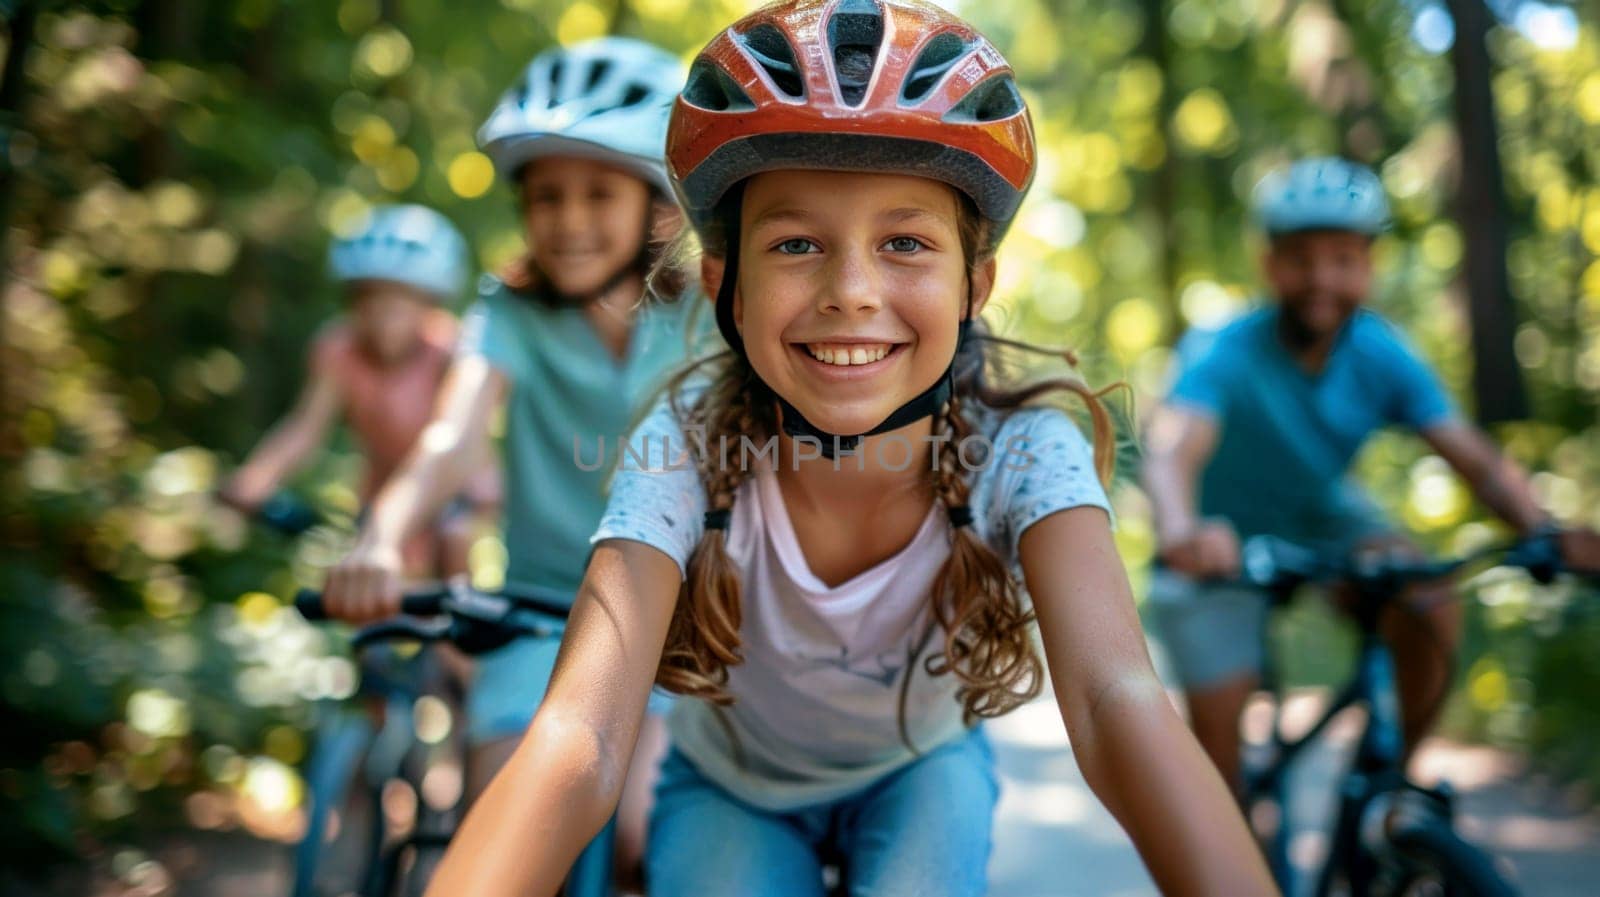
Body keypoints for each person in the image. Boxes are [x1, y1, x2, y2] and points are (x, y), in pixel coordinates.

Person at [425, 2, 1278, 895]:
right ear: (727, 286)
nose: (851, 292)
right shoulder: (682, 442)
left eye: (905, 243)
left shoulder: (1022, 446)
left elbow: (1115, 703)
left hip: (919, 770)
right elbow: (583, 735)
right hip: (730, 787)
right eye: (796, 243)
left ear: (972, 285)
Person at [317, 37, 697, 886]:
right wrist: (382, 537)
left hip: (688, 624)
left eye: (600, 193)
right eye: (547, 195)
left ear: (660, 207)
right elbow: (453, 436)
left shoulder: (711, 310)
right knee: (509, 829)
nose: (568, 219)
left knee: (645, 835)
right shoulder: (511, 312)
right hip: (543, 620)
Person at [1141, 156, 1600, 792]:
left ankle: (1396, 783)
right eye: (1300, 258)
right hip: (1214, 542)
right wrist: (1180, 529)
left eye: (1343, 258)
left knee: (1426, 598)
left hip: (1321, 514)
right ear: (1270, 265)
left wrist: (1544, 530)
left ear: (1369, 266)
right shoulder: (1224, 349)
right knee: (1218, 775)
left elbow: (1471, 457)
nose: (1321, 278)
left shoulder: (1381, 351)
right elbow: (1175, 448)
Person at [221, 204, 499, 579]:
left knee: (453, 547)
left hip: (455, 490)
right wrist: (253, 481)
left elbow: (450, 437)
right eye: (370, 297)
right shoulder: (338, 349)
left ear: (429, 302)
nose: (384, 312)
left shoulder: (451, 352)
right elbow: (305, 427)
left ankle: (457, 638)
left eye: (401, 298)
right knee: (362, 588)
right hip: (379, 495)